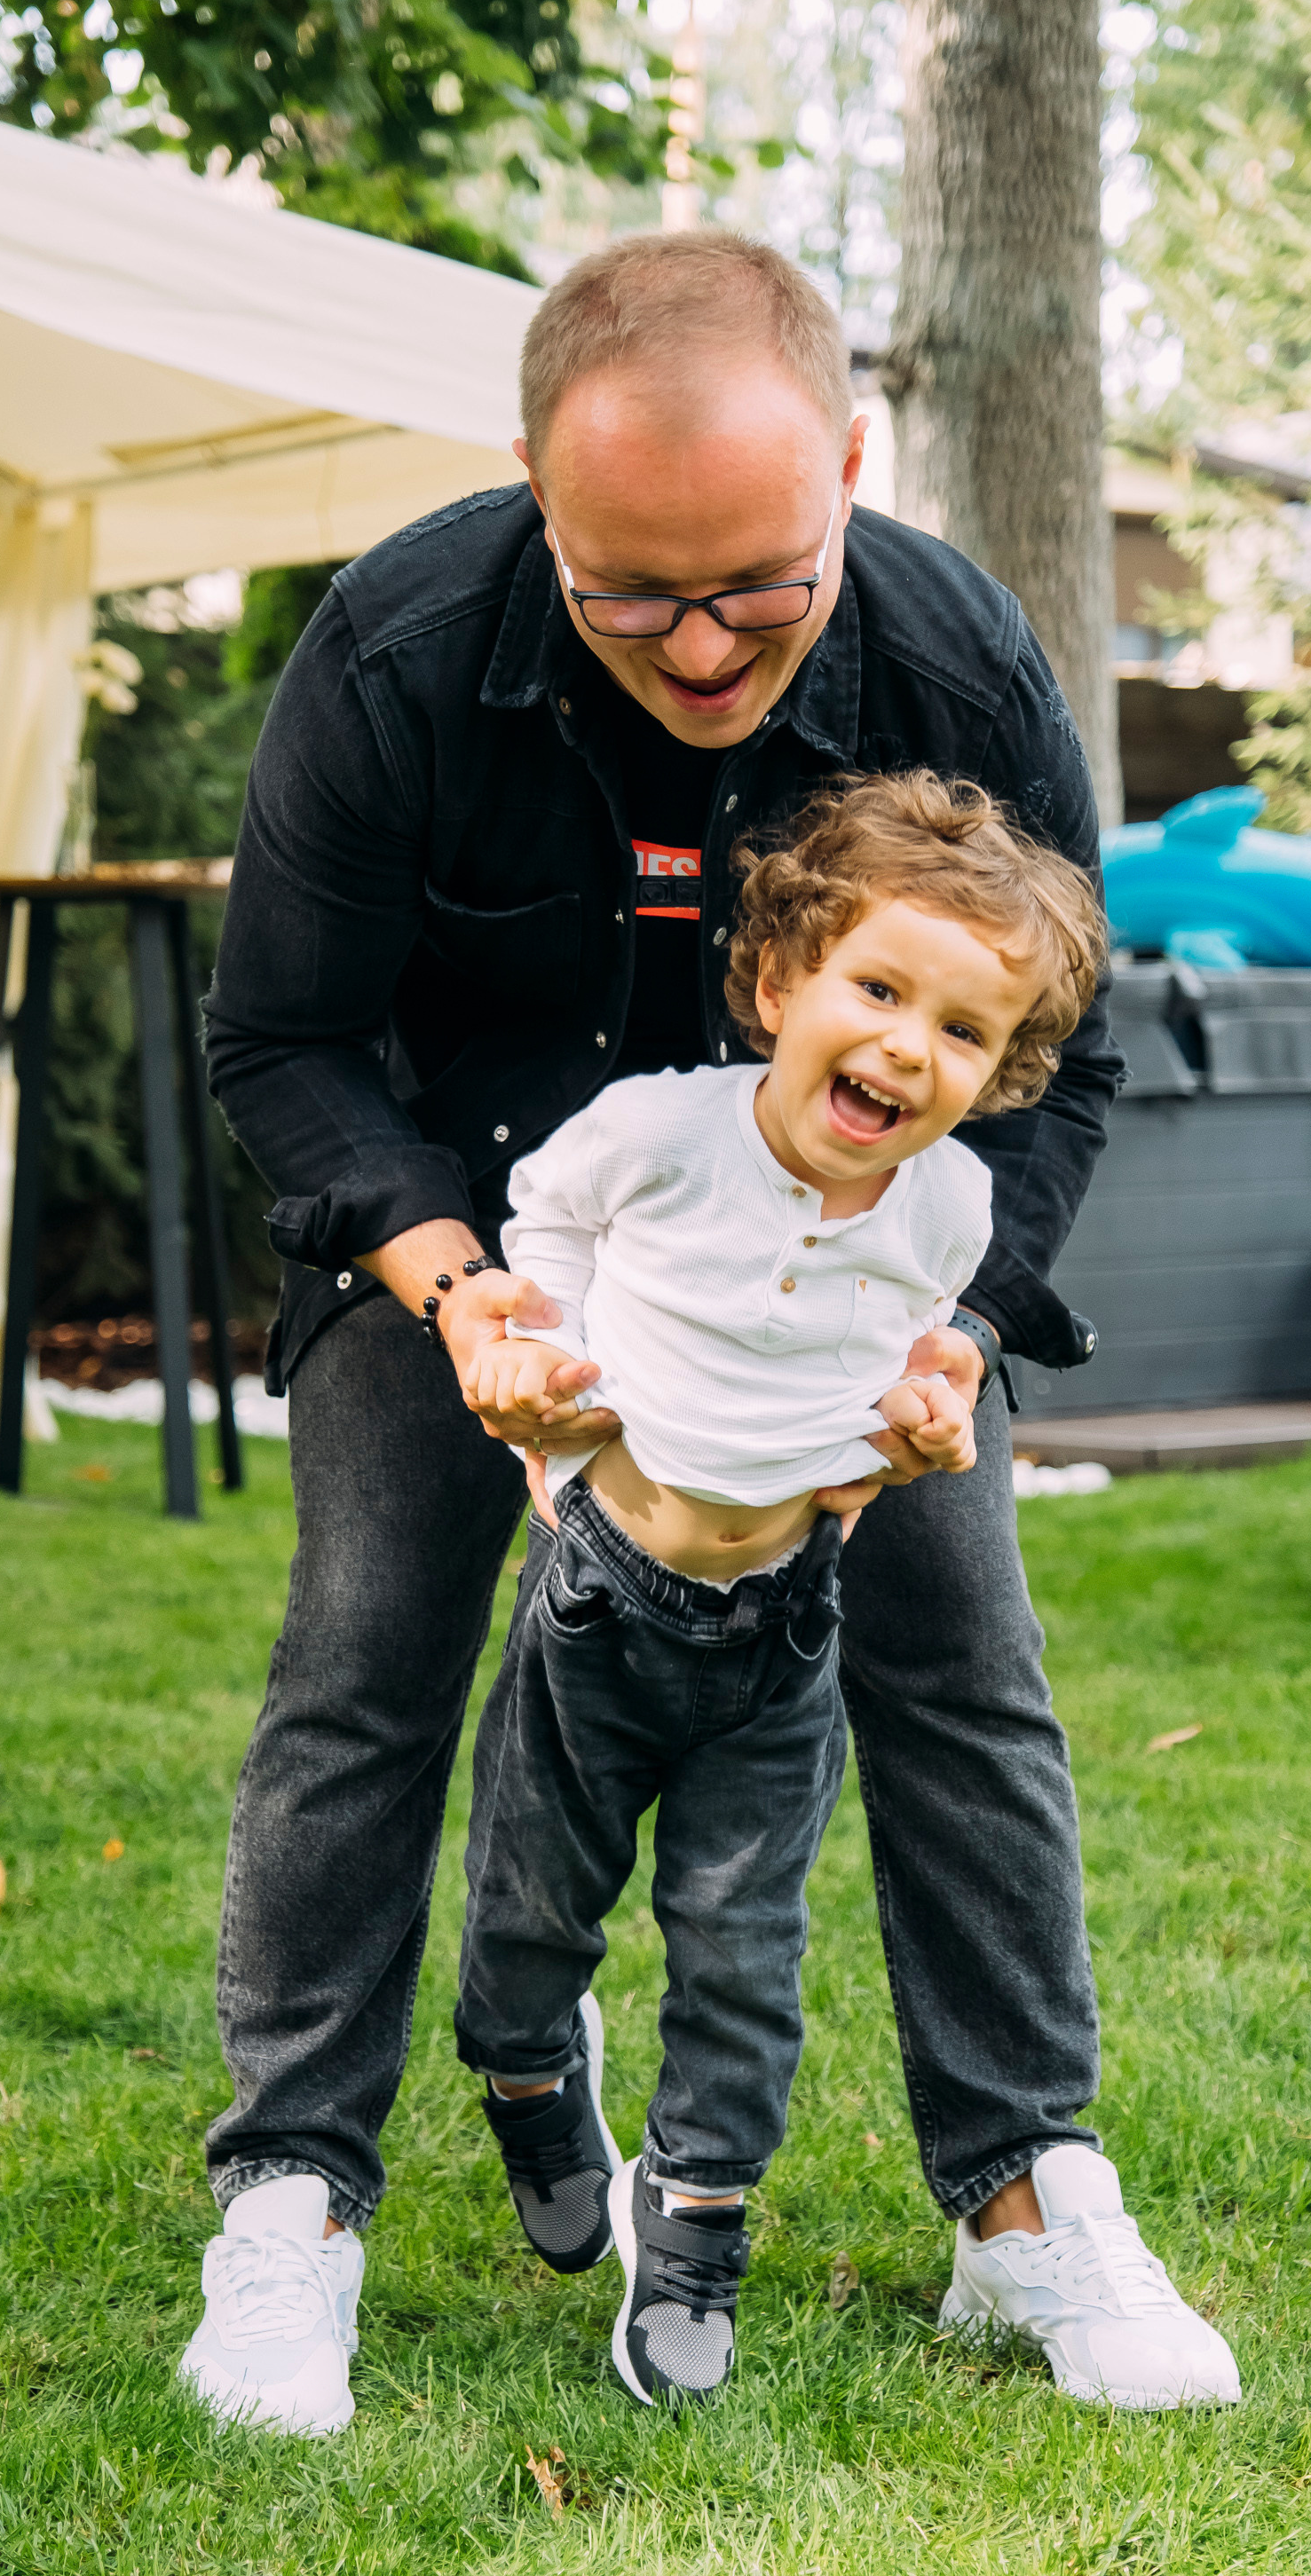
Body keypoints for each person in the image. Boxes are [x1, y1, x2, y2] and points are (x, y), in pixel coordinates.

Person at [185, 228, 1241, 2433]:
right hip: (485, 1217)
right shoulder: (391, 649)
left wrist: (950, 1329)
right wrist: (462, 1286)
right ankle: (292, 2197)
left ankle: (1024, 2196)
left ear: (849, 470)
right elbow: (284, 1037)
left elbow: (1073, 1043)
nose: (697, 648)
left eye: (759, 586)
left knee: (959, 1664)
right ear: (529, 495)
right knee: (366, 1666)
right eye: (627, 591)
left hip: (854, 1245)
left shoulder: (955, 658)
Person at [447, 773, 1157, 2410]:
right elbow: (538, 1217)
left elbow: (918, 1352)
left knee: (743, 1959)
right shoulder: (657, 1137)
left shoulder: (955, 1204)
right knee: (525, 1918)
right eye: (882, 991)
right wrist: (538, 1343)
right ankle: (527, 2068)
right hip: (597, 1605)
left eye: (965, 1033)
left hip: (781, 1635)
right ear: (779, 987)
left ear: (997, 1078)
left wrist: (921, 1413)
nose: (913, 1049)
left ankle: (696, 2230)